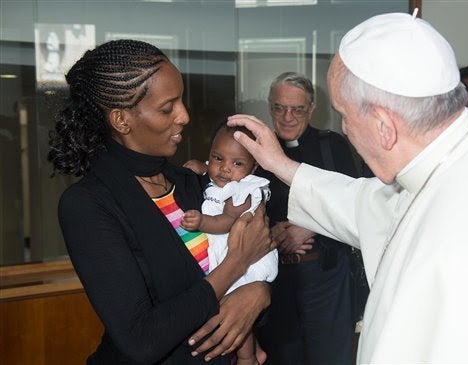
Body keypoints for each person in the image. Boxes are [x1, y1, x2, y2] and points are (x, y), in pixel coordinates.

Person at [226, 11, 468, 364]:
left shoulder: (457, 253)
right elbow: (367, 204)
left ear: (384, 126)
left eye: (345, 116)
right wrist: (279, 163)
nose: (344, 129)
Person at [47, 39, 275, 365]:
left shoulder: (191, 184)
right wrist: (235, 265)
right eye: (168, 108)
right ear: (122, 120)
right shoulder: (87, 205)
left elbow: (257, 257)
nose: (184, 116)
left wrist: (259, 293)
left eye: (181, 101)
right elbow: (141, 340)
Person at [255, 72, 358, 365]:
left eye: (297, 109)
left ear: (311, 109)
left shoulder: (332, 146)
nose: (287, 117)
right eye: (279, 108)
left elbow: (355, 207)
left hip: (325, 277)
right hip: (276, 279)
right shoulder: (257, 150)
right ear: (269, 106)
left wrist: (308, 227)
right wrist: (272, 233)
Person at [181, 122, 278, 365]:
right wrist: (201, 168)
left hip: (247, 257)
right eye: (217, 158)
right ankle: (256, 350)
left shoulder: (245, 192)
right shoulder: (221, 178)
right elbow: (212, 175)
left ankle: (248, 357)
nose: (225, 169)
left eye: (237, 164)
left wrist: (202, 222)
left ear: (253, 167)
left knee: (234, 308)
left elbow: (225, 221)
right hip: (229, 251)